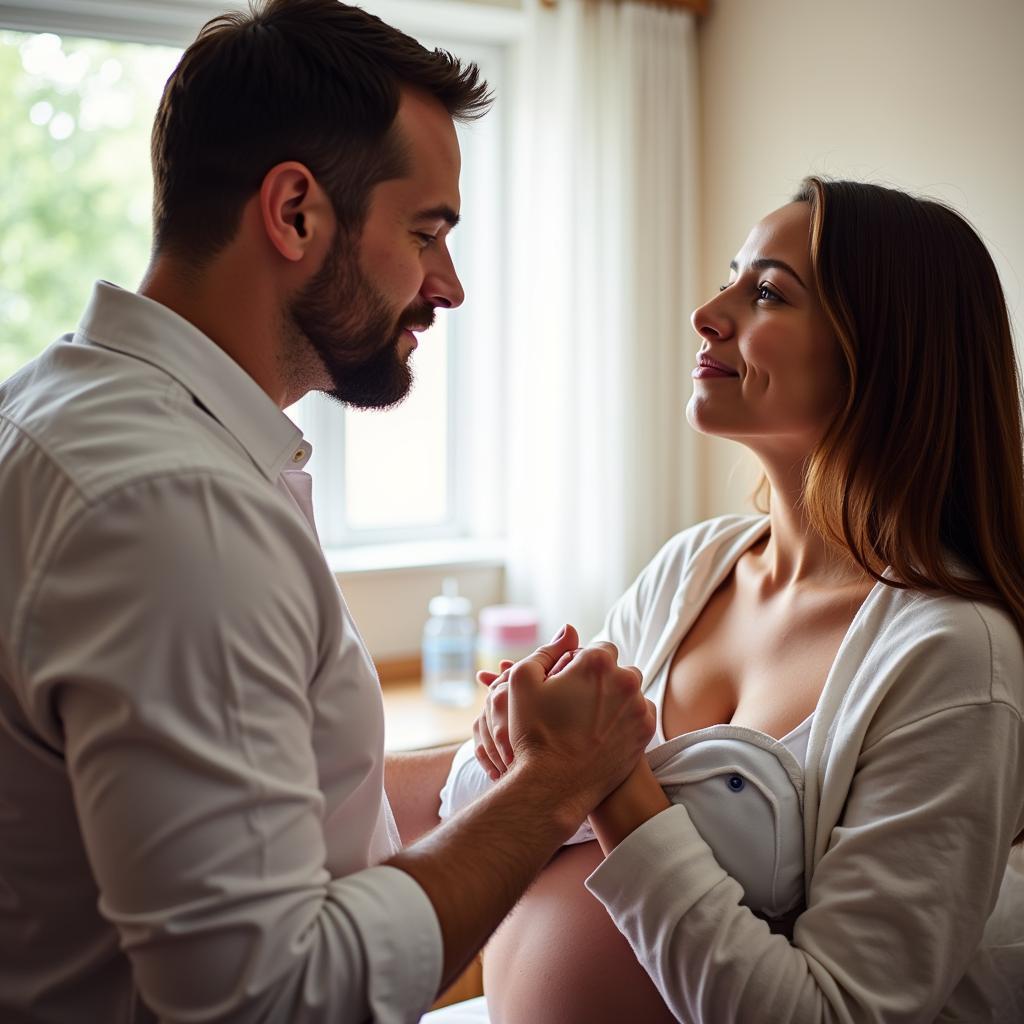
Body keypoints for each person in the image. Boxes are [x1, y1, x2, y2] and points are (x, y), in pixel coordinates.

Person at [0, 2, 655, 1022]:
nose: (450, 285)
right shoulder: (178, 509)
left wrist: (485, 776)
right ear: (295, 211)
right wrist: (555, 787)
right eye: (426, 231)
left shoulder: (58, 415)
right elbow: (273, 996)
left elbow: (268, 810)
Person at [429, 178, 1024, 1023]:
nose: (709, 312)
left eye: (768, 292)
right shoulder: (692, 567)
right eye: (730, 279)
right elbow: (520, 792)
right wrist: (512, 746)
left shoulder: (955, 656)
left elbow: (835, 1013)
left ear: (882, 350)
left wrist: (612, 783)